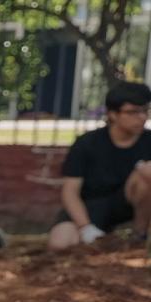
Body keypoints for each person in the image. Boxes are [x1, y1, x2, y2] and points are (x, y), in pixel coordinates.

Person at [49, 81, 151, 250]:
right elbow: (70, 191)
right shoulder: (87, 143)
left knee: (147, 173)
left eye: (145, 111)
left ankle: (139, 237)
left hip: (129, 207)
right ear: (112, 114)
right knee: (60, 243)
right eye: (133, 112)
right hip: (90, 208)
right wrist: (85, 227)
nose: (142, 117)